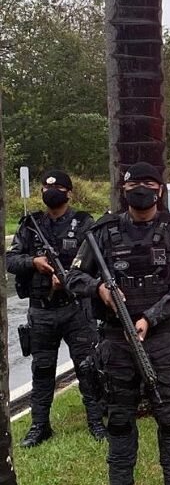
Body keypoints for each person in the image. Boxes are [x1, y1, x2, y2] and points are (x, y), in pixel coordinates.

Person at [66, 162, 170, 485]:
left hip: (162, 340)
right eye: (133, 184)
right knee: (120, 420)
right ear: (123, 190)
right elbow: (73, 278)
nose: (140, 189)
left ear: (159, 190)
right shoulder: (102, 233)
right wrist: (100, 290)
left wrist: (149, 318)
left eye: (148, 183)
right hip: (116, 341)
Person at [5, 170, 105, 447]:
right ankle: (40, 426)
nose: (52, 192)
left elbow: (97, 262)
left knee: (87, 367)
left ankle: (96, 422)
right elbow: (11, 260)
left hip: (75, 309)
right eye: (46, 188)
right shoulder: (30, 224)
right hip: (41, 311)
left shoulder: (84, 223)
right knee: (42, 369)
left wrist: (70, 278)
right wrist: (33, 262)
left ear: (69, 193)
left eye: (59, 188)